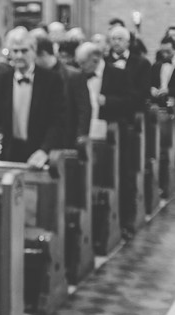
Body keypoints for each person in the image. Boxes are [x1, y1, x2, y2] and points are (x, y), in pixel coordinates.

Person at [0, 27, 65, 168]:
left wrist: (44, 150)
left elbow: (57, 121)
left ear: (34, 51)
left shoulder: (51, 79)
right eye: (15, 51)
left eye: (24, 50)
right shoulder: (3, 78)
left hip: (40, 153)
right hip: (11, 151)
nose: (19, 55)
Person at [76, 41, 135, 238]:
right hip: (87, 132)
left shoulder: (118, 73)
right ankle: (94, 226)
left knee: (118, 175)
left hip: (112, 134)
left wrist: (107, 101)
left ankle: (125, 222)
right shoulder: (79, 76)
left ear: (95, 59)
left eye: (83, 63)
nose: (80, 67)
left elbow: (130, 102)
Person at [35, 37, 90, 148]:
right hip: (41, 137)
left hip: (66, 136)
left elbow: (84, 109)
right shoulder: (36, 76)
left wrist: (81, 135)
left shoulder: (73, 75)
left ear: (43, 54)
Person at [106, 26, 151, 112]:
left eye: (120, 39)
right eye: (113, 39)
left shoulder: (142, 63)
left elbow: (144, 89)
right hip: (110, 110)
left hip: (134, 110)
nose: (116, 42)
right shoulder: (105, 61)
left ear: (128, 42)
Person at [150, 36, 175, 106]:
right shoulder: (156, 65)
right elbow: (150, 82)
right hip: (158, 104)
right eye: (162, 52)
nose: (165, 54)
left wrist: (169, 91)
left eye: (168, 51)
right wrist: (152, 89)